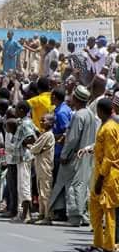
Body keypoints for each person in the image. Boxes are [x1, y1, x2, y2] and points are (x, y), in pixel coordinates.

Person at [50, 85, 97, 226]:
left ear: (76, 98)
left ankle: (75, 217)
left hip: (75, 157)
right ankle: (84, 216)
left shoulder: (78, 115)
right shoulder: (90, 114)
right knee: (83, 186)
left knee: (73, 186)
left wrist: (65, 155)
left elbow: (72, 139)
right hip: (87, 156)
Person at [77, 97, 119, 252]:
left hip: (108, 176)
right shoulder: (105, 126)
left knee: (108, 211)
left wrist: (101, 179)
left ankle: (108, 246)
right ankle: (97, 242)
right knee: (94, 208)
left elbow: (110, 156)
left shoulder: (110, 129)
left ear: (101, 111)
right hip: (100, 173)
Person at [31, 113, 56, 225]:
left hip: (45, 166)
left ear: (50, 123)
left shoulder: (48, 135)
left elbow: (35, 149)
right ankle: (41, 214)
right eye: (40, 120)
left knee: (45, 191)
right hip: (40, 165)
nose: (41, 122)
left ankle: (48, 216)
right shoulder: (44, 134)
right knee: (40, 190)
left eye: (43, 120)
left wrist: (30, 147)